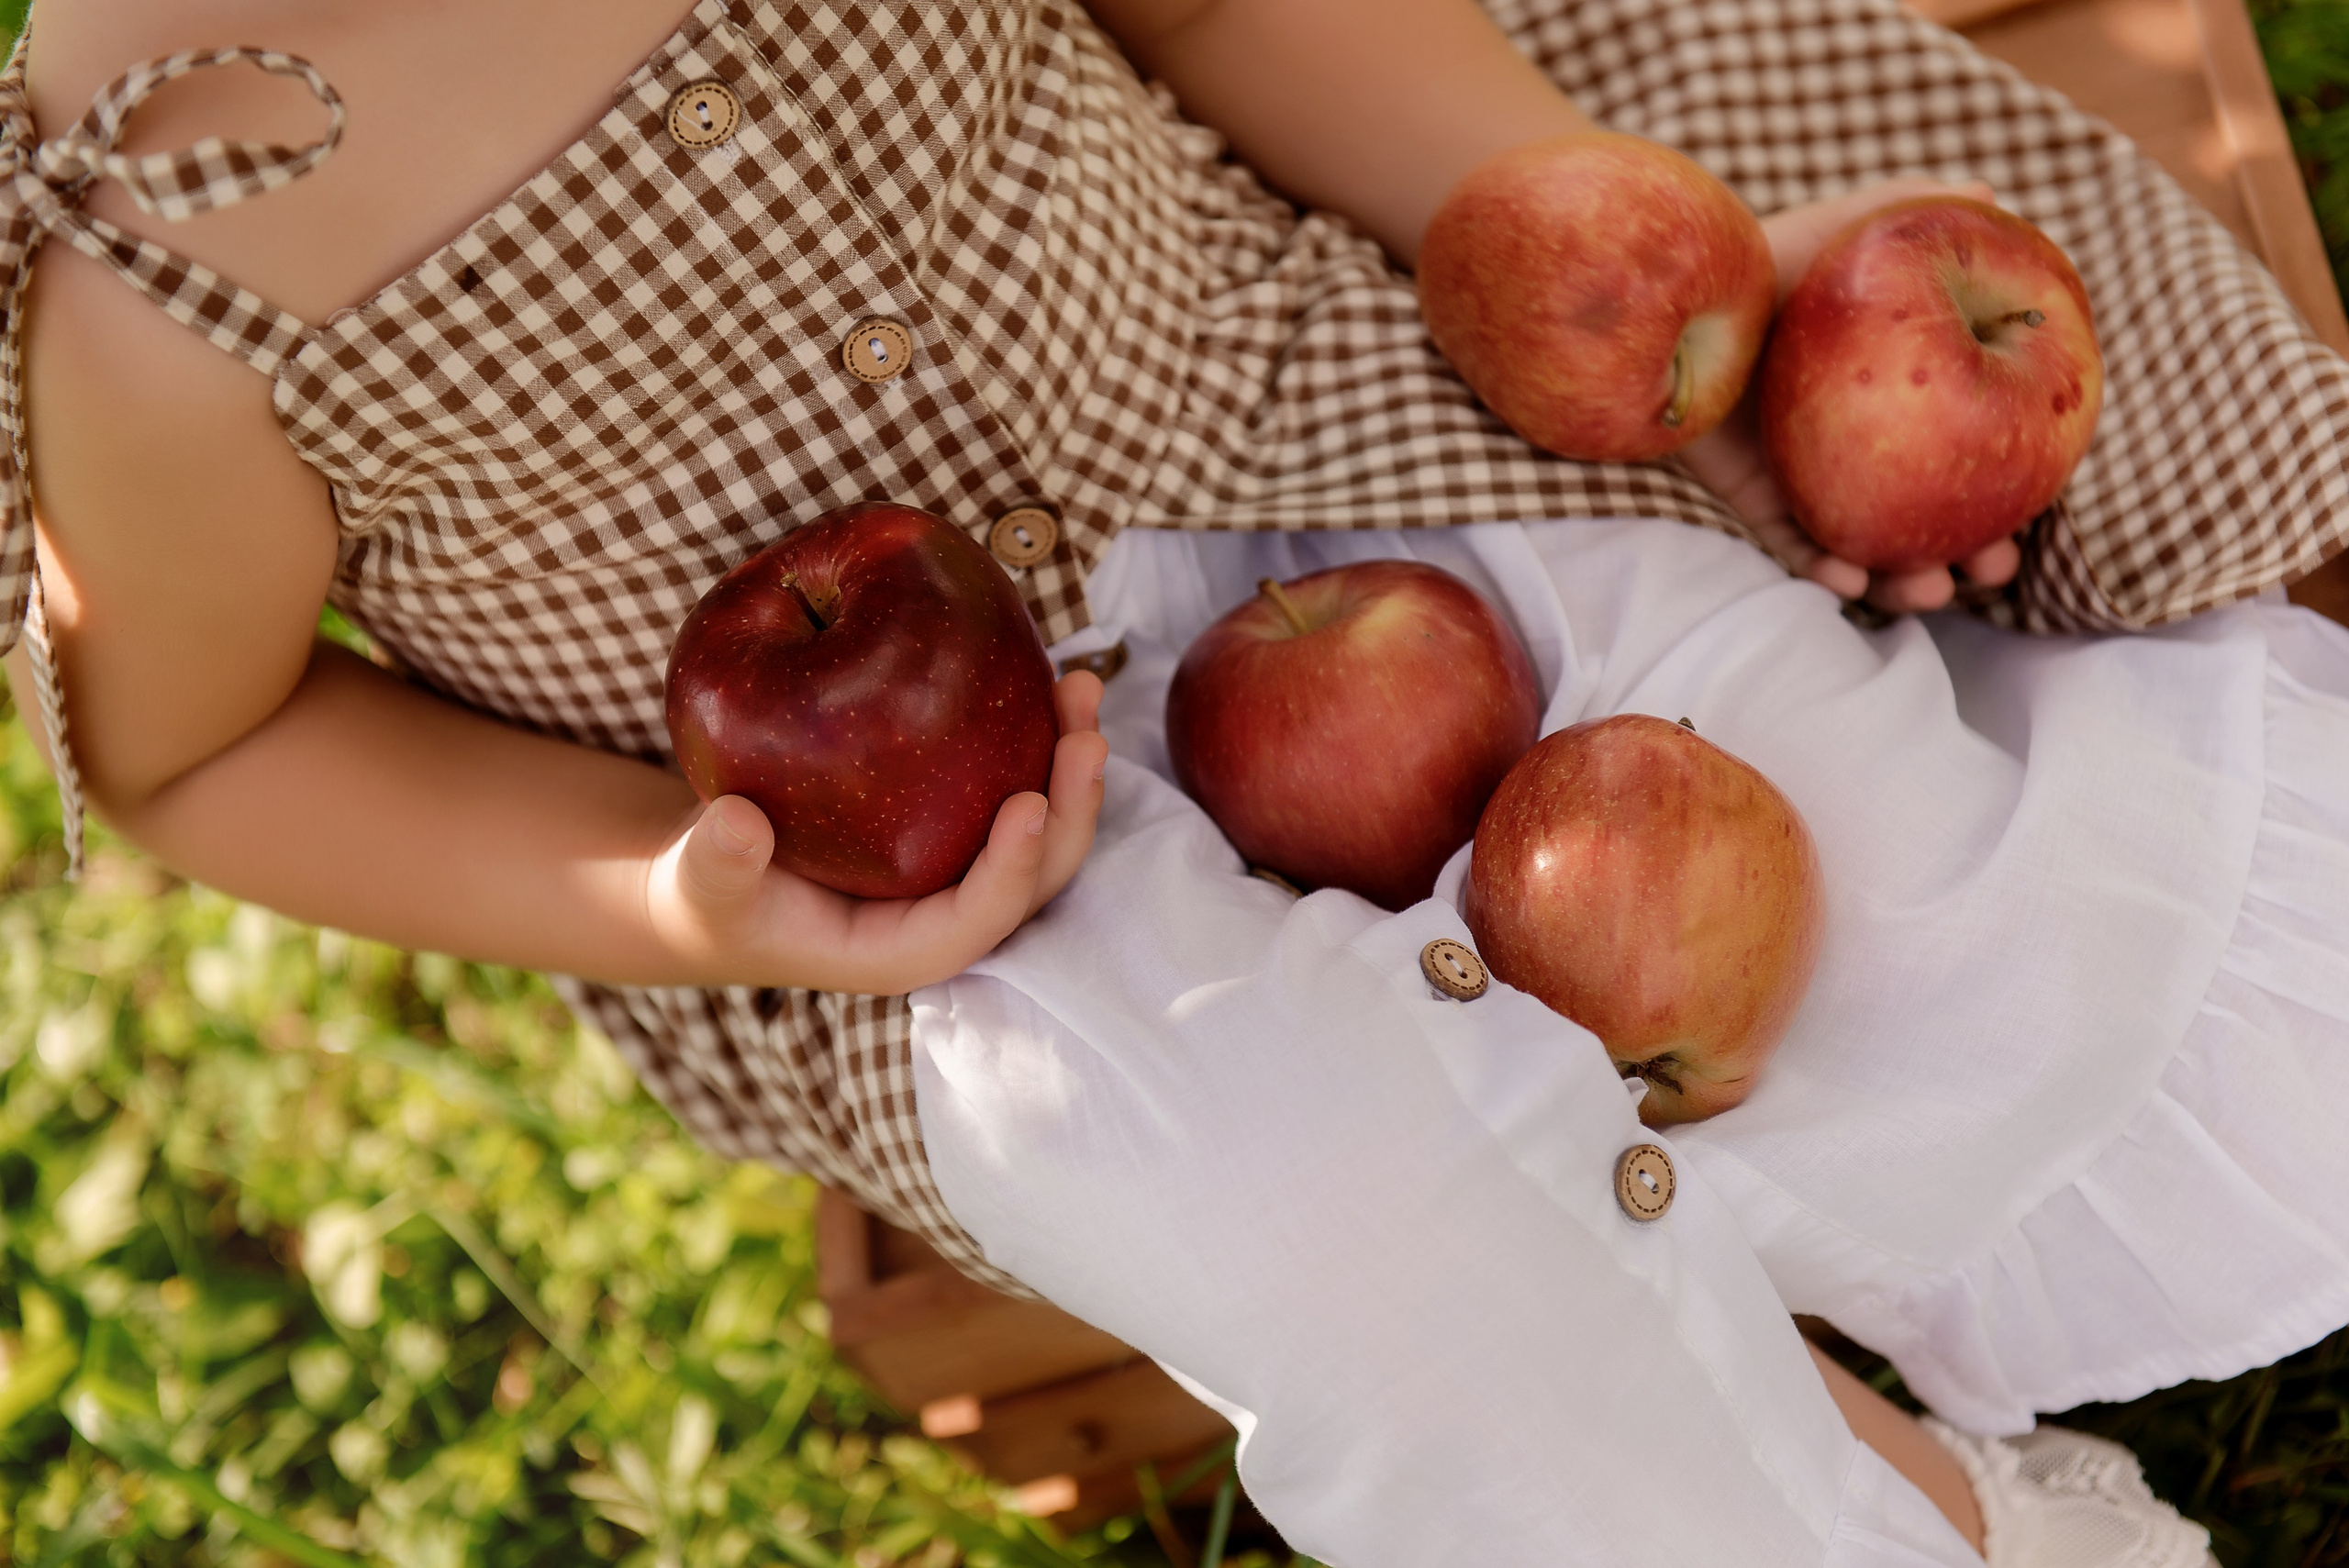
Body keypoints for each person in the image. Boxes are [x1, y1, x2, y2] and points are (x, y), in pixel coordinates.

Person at [8, 0, 2345, 1561]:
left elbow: (1217, 15)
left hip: (1288, 424)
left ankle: (2057, 1144)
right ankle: (1862, 1504)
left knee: (1777, 784)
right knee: (1328, 1224)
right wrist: (669, 899)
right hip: (950, 874)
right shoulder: (145, 259)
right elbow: (206, 738)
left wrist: (1600, 266)